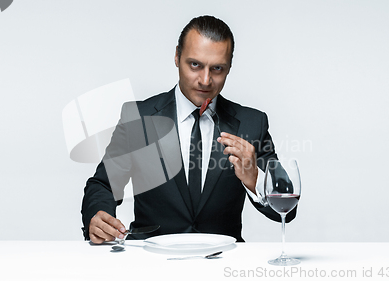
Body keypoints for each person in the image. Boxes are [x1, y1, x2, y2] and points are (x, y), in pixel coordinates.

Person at [81, 15, 296, 243]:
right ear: (176, 56)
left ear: (229, 67)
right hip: (151, 261)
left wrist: (255, 179)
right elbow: (103, 184)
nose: (205, 80)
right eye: (195, 65)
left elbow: (287, 210)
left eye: (217, 69)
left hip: (223, 264)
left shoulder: (252, 123)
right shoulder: (139, 117)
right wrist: (97, 217)